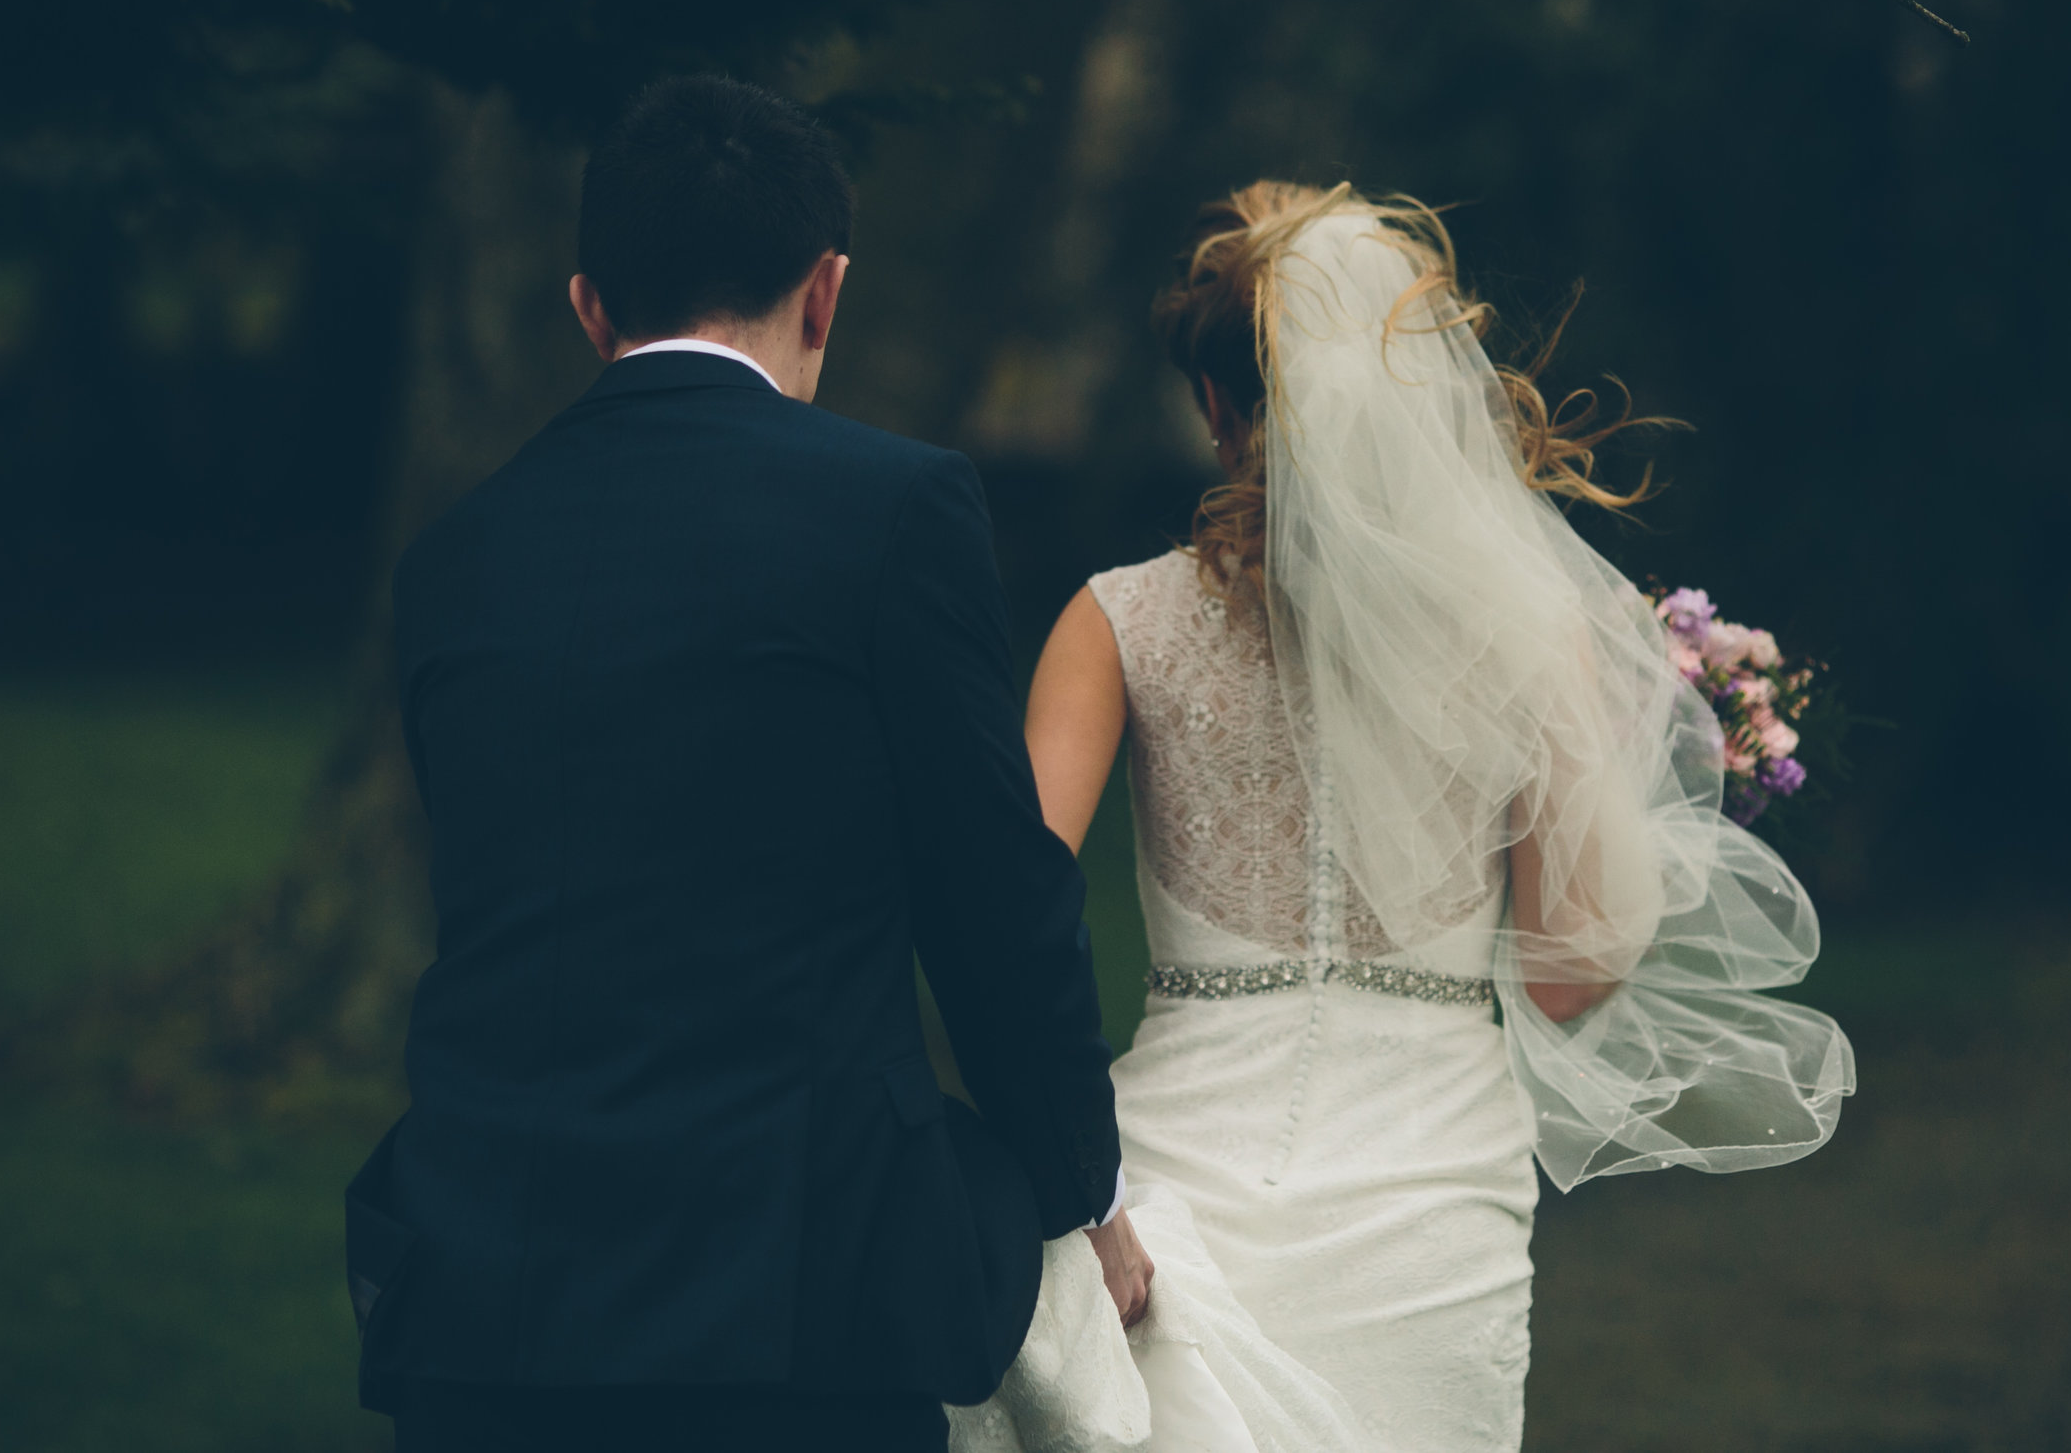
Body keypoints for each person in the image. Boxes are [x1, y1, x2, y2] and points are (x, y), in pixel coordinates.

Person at [344, 74, 1152, 1453]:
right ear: (825, 291)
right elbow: (995, 903)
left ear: (589, 303)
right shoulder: (897, 512)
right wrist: (1081, 1190)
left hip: (485, 1288)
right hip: (792, 1301)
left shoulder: (454, 559)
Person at [993, 183, 1857, 1452]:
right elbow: (1567, 977)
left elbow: (1006, 910)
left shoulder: (1113, 621)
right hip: (1429, 1195)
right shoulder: (1525, 630)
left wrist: (1063, 1177)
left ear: (1216, 406)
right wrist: (1638, 790)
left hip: (1175, 1177)